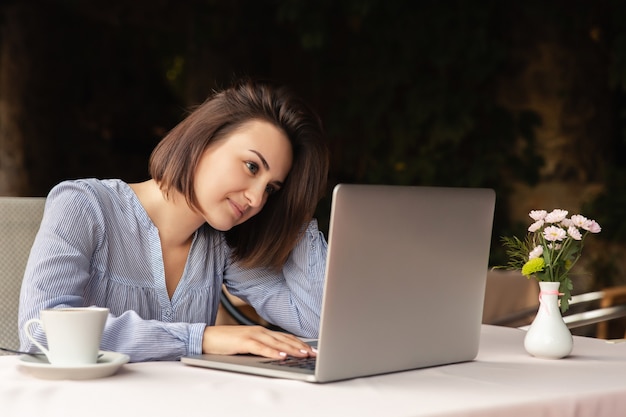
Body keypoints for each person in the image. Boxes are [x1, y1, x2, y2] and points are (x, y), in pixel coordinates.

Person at [18, 78, 329, 362]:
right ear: (203, 140)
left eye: (272, 189)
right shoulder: (84, 206)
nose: (258, 199)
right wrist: (199, 338)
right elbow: (43, 330)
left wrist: (293, 209)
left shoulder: (219, 247)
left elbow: (315, 319)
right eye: (251, 166)